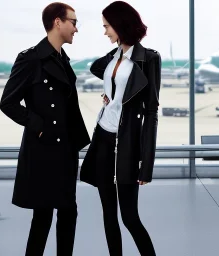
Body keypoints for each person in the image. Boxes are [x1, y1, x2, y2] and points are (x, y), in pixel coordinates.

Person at [0, 2, 90, 256]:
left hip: (65, 150)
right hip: (44, 149)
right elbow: (7, 102)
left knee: (68, 212)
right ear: (58, 22)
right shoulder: (31, 59)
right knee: (43, 215)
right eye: (73, 22)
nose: (76, 29)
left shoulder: (62, 59)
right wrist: (39, 127)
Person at [80, 1, 161, 255]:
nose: (105, 32)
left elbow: (151, 112)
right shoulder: (114, 55)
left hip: (125, 144)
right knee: (108, 215)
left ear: (121, 24)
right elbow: (98, 69)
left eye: (107, 27)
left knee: (129, 217)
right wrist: (111, 92)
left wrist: (146, 164)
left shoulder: (148, 58)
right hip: (103, 137)